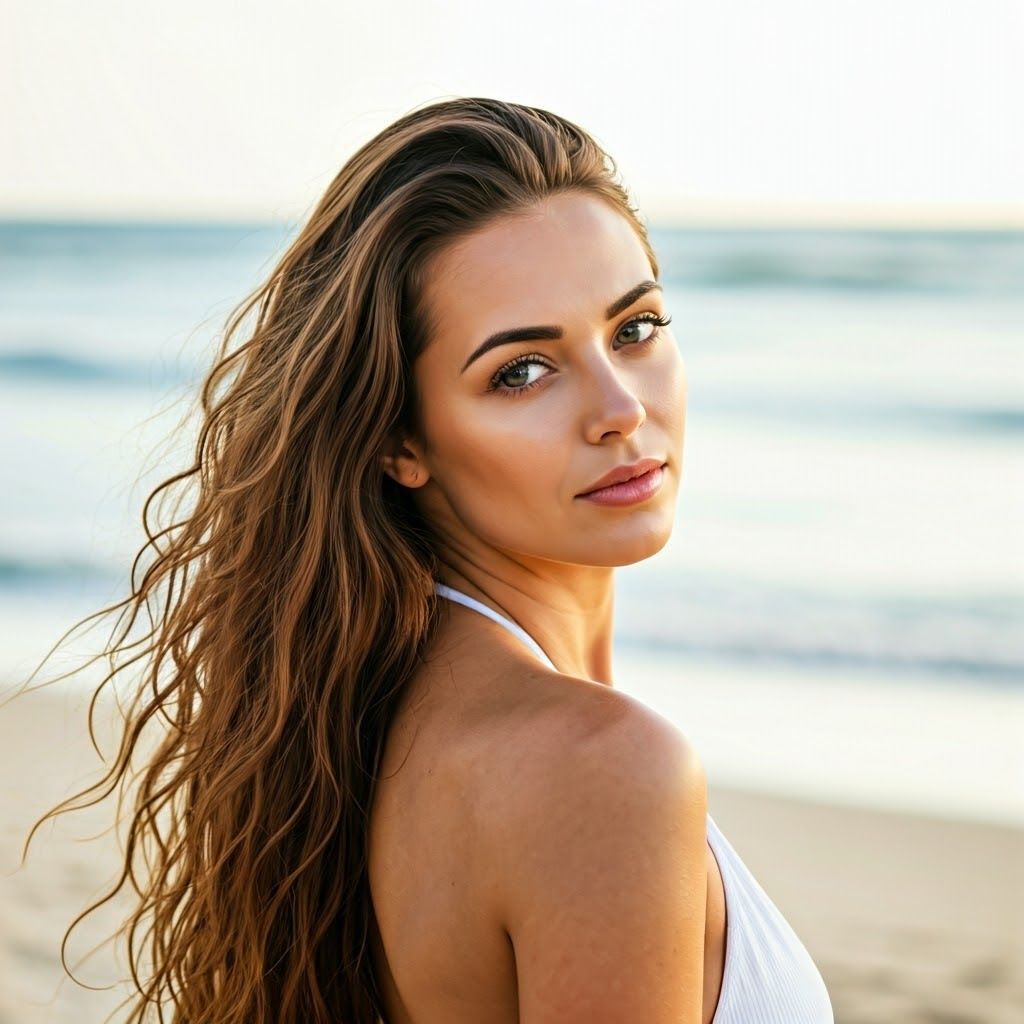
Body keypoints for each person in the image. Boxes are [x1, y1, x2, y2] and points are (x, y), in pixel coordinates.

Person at [17, 96, 833, 1023]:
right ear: (401, 438)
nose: (620, 407)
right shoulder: (599, 770)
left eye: (635, 327)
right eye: (521, 371)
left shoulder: (376, 717)